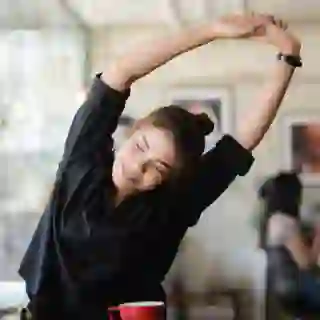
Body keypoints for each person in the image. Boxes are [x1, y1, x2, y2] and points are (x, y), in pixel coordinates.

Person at [19, 13, 302, 320]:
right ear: (132, 132)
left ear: (169, 179)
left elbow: (240, 143)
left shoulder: (172, 207)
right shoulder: (82, 161)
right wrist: (211, 30)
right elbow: (121, 72)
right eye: (141, 147)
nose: (138, 167)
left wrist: (288, 59)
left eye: (158, 168)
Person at [258, 172, 320, 317]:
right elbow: (306, 263)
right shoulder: (285, 223)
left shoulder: (271, 221)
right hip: (296, 289)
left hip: (281, 289)